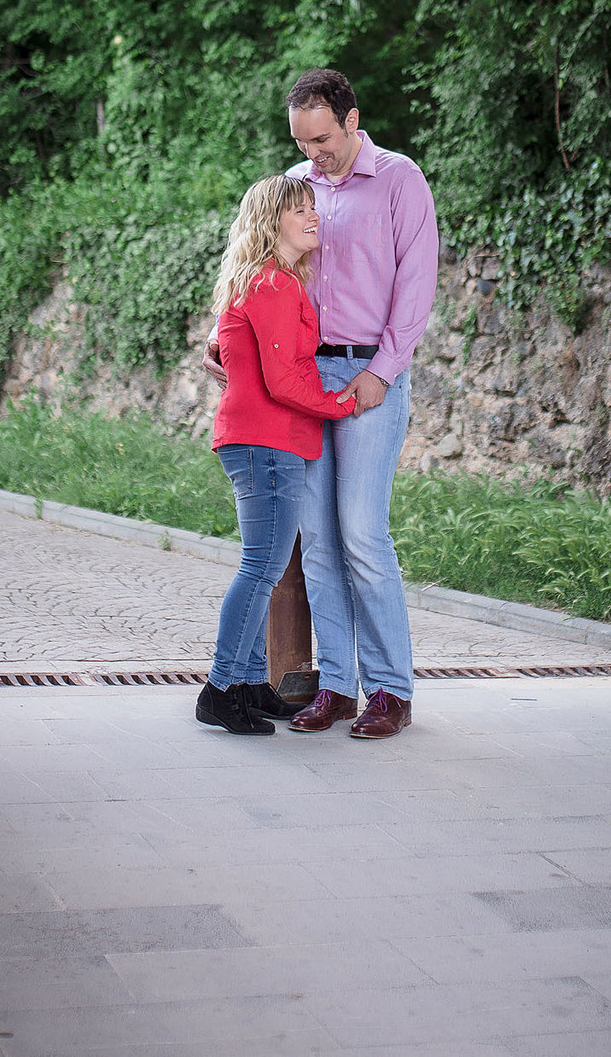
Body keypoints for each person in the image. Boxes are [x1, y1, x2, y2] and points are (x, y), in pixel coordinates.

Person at [261, 67, 439, 740]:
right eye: (304, 143)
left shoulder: (399, 179)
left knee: (362, 533)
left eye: (324, 140)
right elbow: (263, 272)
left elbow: (416, 290)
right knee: (320, 543)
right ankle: (336, 686)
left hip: (370, 373)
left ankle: (391, 689)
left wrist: (383, 372)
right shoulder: (294, 186)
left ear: (352, 120)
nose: (315, 154)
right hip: (303, 379)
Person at [198, 175, 359, 735]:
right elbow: (282, 379)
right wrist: (341, 402)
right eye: (299, 209)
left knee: (262, 563)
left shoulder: (269, 281)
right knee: (262, 565)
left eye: (314, 205)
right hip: (264, 440)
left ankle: (246, 683)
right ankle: (221, 688)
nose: (313, 215)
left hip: (266, 440)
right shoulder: (270, 283)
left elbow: (243, 350)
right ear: (272, 223)